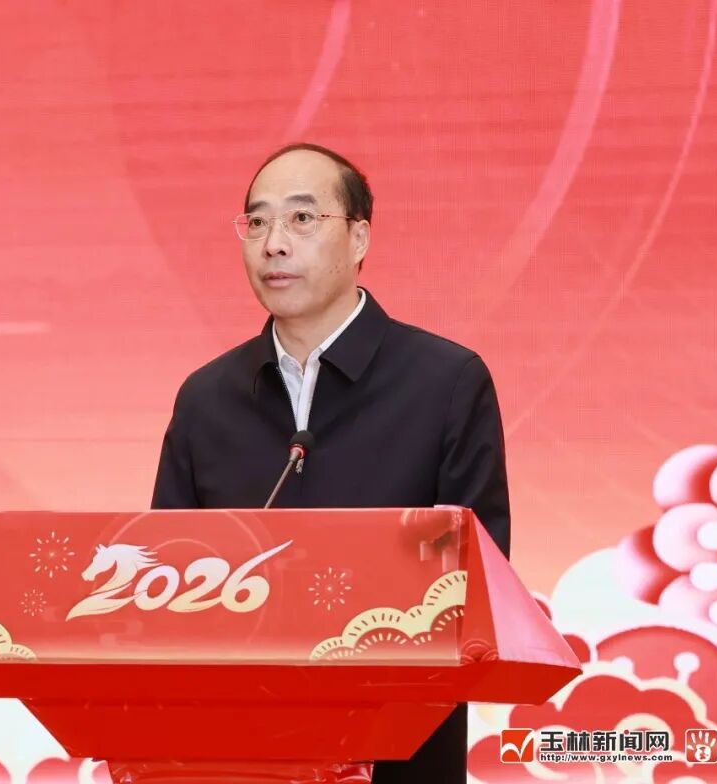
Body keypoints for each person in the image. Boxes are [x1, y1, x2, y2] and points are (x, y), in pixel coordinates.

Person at [152, 142, 510, 784]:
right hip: (237, 755)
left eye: (302, 218)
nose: (274, 244)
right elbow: (167, 588)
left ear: (359, 237)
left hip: (398, 753)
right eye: (257, 222)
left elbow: (479, 587)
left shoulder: (446, 383)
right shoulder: (205, 399)